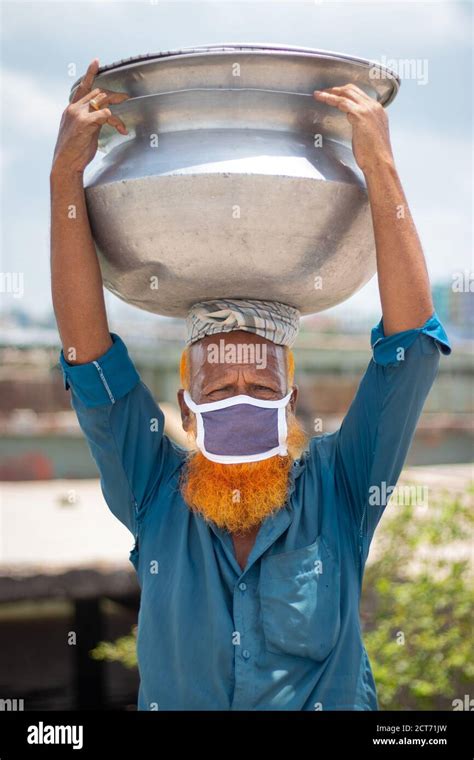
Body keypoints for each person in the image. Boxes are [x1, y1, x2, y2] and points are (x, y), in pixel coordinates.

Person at [50, 59, 451, 711]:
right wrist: (64, 176)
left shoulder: (340, 490)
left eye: (261, 387)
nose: (240, 398)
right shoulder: (153, 493)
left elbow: (411, 352)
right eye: (220, 385)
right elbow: (88, 359)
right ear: (186, 406)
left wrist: (379, 166)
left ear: (290, 402)